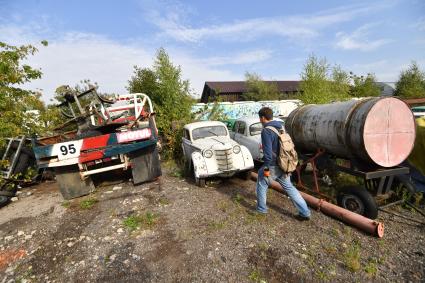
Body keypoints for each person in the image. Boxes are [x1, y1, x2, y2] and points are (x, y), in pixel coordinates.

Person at [256, 107, 311, 220]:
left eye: (260, 118)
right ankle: (305, 212)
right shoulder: (281, 127)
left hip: (272, 166)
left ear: (262, 118)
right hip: (285, 165)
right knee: (290, 188)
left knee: (262, 182)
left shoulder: (266, 131)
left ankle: (261, 209)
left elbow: (268, 155)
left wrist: (265, 168)